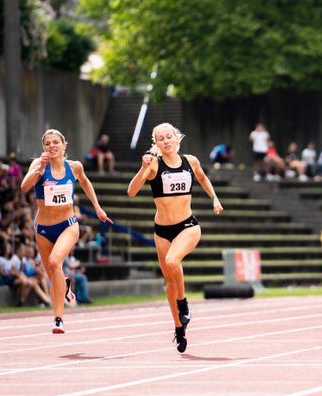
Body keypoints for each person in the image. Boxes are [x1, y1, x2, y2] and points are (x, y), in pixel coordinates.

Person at [127, 122, 223, 353]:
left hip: (188, 225)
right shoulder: (153, 165)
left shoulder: (191, 161)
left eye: (169, 136)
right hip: (162, 231)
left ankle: (183, 302)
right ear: (156, 144)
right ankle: (179, 327)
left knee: (172, 261)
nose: (166, 141)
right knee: (169, 282)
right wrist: (142, 169)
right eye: (161, 139)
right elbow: (131, 192)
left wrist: (214, 198)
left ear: (177, 138)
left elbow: (202, 178)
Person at [21, 129, 112, 334]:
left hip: (68, 225)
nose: (52, 146)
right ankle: (66, 287)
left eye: (55, 142)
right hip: (43, 229)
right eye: (47, 143)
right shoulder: (38, 165)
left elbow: (86, 183)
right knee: (52, 274)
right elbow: (24, 186)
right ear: (43, 147)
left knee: (55, 262)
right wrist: (38, 170)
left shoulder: (75, 167)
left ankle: (58, 319)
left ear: (64, 146)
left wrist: (97, 207)